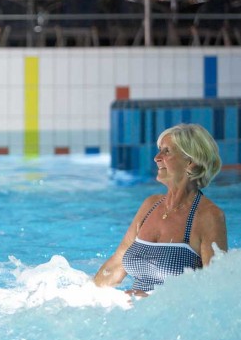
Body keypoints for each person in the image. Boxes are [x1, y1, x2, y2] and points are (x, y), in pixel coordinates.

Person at [94, 124, 227, 296]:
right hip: (135, 313)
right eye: (159, 150)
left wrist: (152, 299)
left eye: (167, 151)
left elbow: (216, 290)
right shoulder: (151, 205)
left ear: (191, 162)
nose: (157, 158)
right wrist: (85, 294)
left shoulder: (209, 216)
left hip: (170, 317)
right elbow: (117, 264)